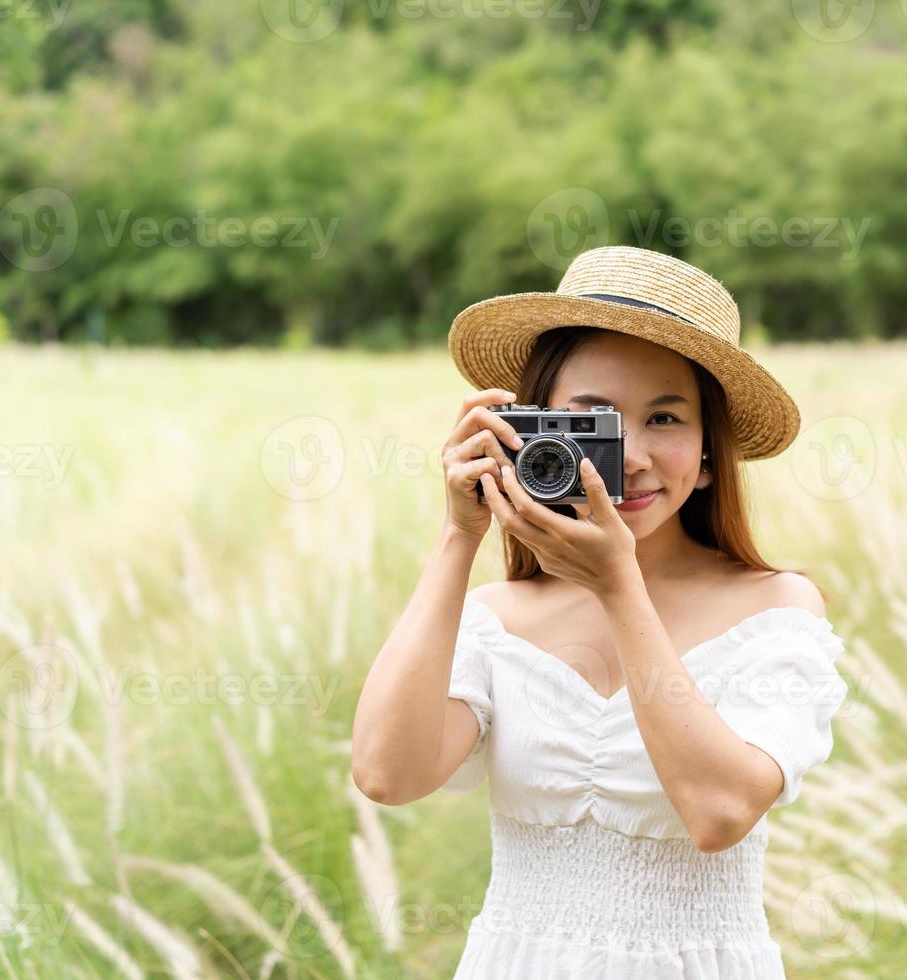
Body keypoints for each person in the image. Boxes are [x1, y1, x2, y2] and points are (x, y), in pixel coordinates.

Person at [351, 245, 848, 978]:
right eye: (594, 423)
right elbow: (387, 774)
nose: (633, 457)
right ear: (528, 432)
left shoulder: (773, 609)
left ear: (711, 454)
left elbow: (719, 812)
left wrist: (621, 591)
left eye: (666, 419)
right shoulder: (499, 618)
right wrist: (461, 533)